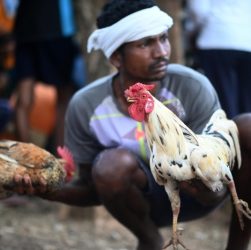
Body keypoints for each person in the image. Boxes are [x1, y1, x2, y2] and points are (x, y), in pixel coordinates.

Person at [11, 1, 251, 250]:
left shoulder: (192, 86)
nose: (161, 52)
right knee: (110, 165)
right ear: (116, 57)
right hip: (141, 204)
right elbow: (91, 189)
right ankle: (149, 240)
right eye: (145, 44)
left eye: (163, 39)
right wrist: (46, 190)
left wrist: (201, 184)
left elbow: (215, 180)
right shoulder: (86, 105)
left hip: (204, 194)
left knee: (248, 126)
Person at [13, 0, 86, 152]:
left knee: (24, 99)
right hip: (58, 29)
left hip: (26, 28)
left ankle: (26, 158)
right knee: (64, 97)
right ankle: (61, 161)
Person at [186, 0, 251, 118]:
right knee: (247, 101)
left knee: (224, 100)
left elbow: (198, 10)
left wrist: (192, 32)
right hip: (247, 41)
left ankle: (229, 134)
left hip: (216, 38)